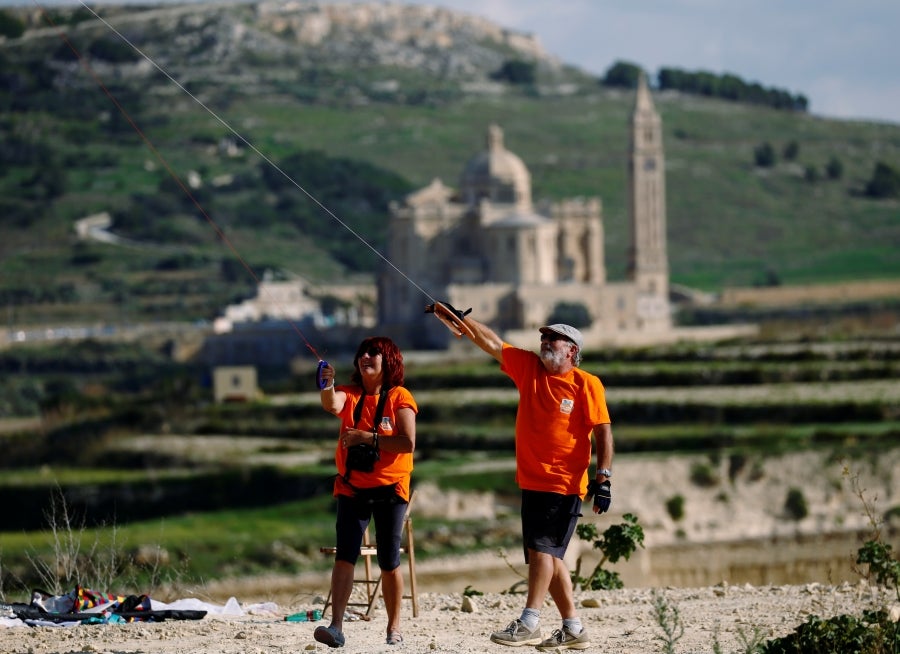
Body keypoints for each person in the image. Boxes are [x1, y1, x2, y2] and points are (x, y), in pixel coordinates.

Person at [431, 305, 613, 651]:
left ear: (572, 351)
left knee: (543, 549)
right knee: (546, 555)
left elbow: (603, 432)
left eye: (553, 339)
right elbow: (493, 344)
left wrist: (603, 478)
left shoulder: (586, 384)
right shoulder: (529, 367)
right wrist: (459, 319)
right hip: (532, 481)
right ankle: (573, 627)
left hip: (563, 482)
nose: (544, 341)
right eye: (543, 336)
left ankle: (529, 619)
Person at [314, 336, 418, 648]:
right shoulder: (350, 393)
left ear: (389, 361)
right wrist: (325, 385)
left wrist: (368, 438)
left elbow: (407, 443)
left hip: (391, 488)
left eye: (374, 353)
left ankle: (394, 628)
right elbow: (332, 404)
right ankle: (335, 627)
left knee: (389, 561)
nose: (366, 357)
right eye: (363, 353)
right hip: (352, 486)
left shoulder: (401, 397)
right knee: (345, 555)